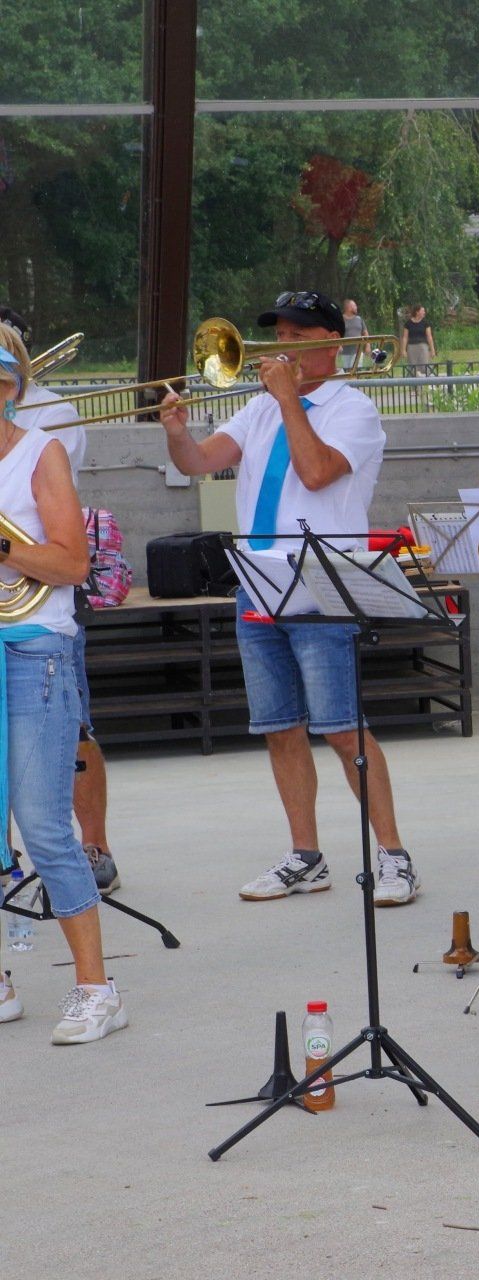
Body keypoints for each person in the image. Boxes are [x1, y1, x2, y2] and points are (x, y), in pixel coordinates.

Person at [159, 290, 420, 907]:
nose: (281, 347)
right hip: (258, 583)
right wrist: (175, 431)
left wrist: (286, 402)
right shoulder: (258, 408)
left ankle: (393, 855)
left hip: (322, 588)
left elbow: (317, 472)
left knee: (343, 730)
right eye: (278, 336)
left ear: (332, 342)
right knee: (279, 729)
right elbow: (198, 462)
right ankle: (306, 857)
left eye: (297, 336)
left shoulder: (353, 409)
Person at [0, 325, 126, 1044]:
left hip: (33, 650)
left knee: (44, 826)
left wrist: (4, 545)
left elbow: (74, 565)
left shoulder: (38, 453)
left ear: (7, 390)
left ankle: (97, 988)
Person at [404, 305, 435, 373]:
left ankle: (427, 379)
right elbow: (405, 337)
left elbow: (429, 337)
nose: (424, 312)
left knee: (425, 367)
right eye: (422, 311)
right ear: (417, 312)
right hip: (411, 347)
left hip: (423, 347)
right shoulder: (408, 323)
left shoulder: (425, 323)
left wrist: (432, 349)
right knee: (413, 369)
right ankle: (414, 379)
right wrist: (403, 350)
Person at [338, 298, 367, 372]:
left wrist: (368, 345)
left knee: (356, 371)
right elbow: (337, 333)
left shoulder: (359, 319)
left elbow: (365, 332)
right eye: (354, 306)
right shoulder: (340, 320)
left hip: (357, 351)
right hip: (345, 352)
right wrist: (339, 345)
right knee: (347, 373)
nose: (356, 307)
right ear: (348, 307)